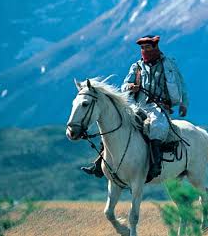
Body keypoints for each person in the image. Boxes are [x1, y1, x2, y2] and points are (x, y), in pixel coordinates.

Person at [80, 35, 189, 182]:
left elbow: (180, 83)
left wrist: (184, 103)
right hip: (139, 105)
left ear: (155, 47)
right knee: (118, 124)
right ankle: (99, 162)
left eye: (147, 48)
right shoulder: (136, 67)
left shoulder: (168, 64)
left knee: (156, 126)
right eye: (142, 48)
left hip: (160, 106)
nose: (144, 51)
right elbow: (125, 85)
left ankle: (155, 164)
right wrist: (131, 87)